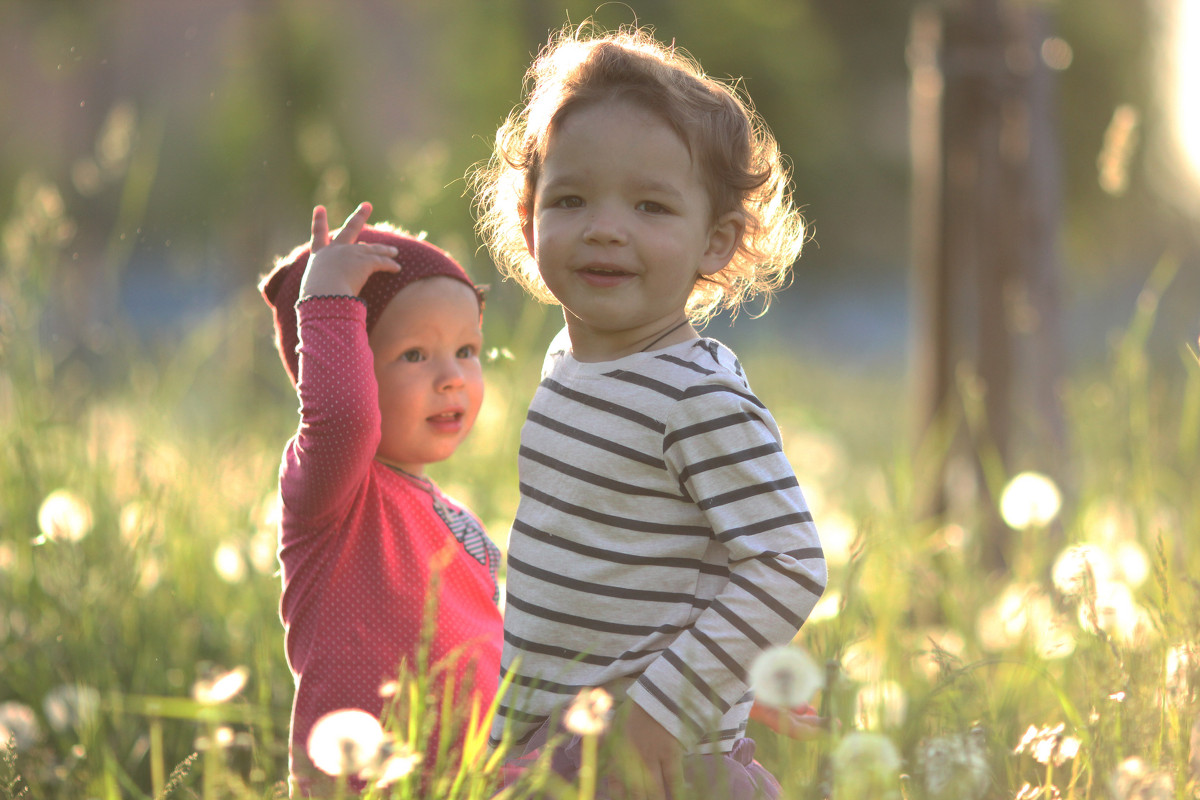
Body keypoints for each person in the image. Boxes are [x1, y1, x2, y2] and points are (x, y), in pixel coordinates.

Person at [472, 24, 828, 800]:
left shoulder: (695, 396)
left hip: (646, 759)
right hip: (554, 740)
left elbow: (786, 561)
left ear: (716, 240)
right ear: (530, 219)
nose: (606, 226)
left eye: (651, 206)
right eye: (571, 198)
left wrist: (672, 705)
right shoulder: (570, 363)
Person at [259, 202, 503, 797]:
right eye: (415, 355)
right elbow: (344, 418)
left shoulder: (460, 525)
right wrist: (326, 296)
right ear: (352, 365)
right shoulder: (334, 497)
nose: (452, 377)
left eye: (466, 351)